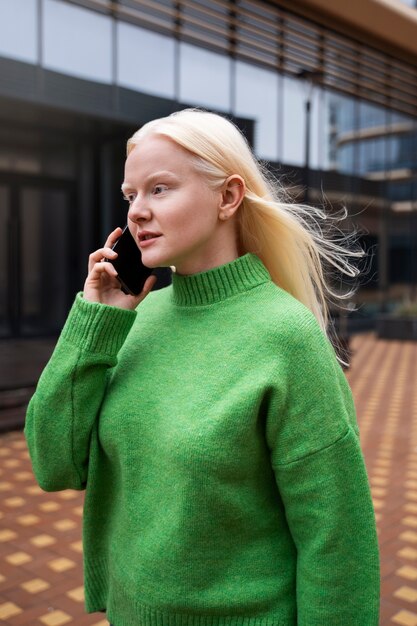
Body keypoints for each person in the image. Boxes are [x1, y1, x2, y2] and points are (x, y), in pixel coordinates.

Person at [24, 107, 380, 626]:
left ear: (228, 197)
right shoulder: (135, 319)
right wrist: (94, 322)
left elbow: (337, 539)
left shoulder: (285, 337)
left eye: (160, 189)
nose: (136, 213)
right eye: (130, 196)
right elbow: (53, 464)